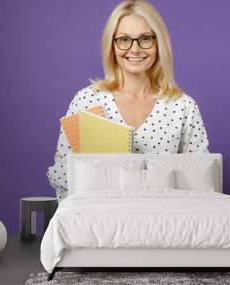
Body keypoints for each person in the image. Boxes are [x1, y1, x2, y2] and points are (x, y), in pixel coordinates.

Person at [47, 0, 210, 201]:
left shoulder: (183, 107)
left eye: (145, 39)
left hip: (165, 222)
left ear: (159, 43)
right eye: (124, 39)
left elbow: (201, 181)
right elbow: (63, 175)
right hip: (100, 220)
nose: (135, 49)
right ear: (112, 45)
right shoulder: (87, 101)